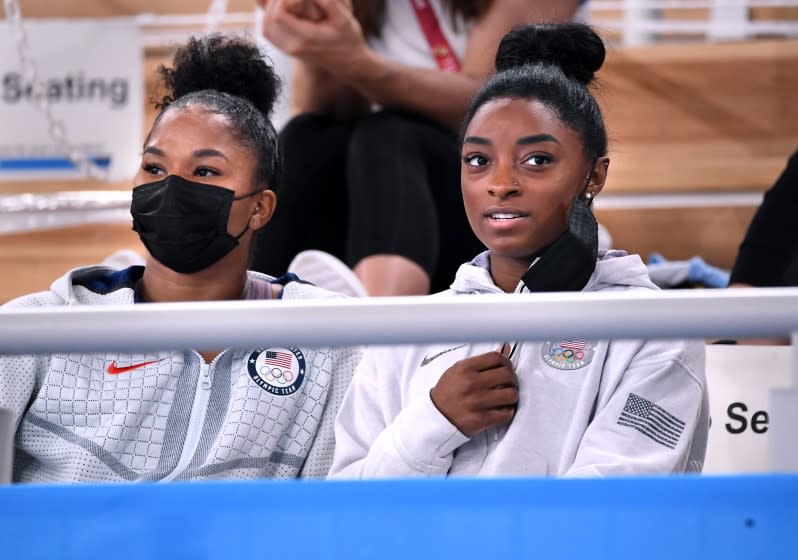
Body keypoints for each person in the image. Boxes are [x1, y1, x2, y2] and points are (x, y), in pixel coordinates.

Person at [329, 23, 709, 478]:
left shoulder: (656, 330)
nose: (501, 184)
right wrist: (433, 422)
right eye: (478, 161)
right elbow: (348, 501)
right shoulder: (408, 330)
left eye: (537, 161)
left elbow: (613, 508)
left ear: (595, 175)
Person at [0, 35, 361, 483]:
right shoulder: (35, 332)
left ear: (260, 207)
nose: (171, 187)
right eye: (154, 168)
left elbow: (332, 513)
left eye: (205, 171)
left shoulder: (330, 345)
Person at [254, 0, 587, 296]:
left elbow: (501, 106)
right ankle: (257, 312)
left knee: (391, 132)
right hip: (380, 210)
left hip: (497, 210)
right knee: (307, 137)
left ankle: (382, 322)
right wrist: (319, 37)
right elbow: (329, 111)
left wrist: (355, 62)